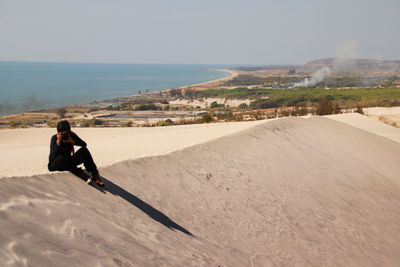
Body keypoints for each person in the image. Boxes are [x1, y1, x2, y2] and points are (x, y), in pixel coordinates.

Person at [48, 120, 104, 187]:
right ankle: (81, 174)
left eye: (67, 131)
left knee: (84, 150)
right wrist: (58, 143)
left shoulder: (71, 135)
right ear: (59, 132)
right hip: (56, 164)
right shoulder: (54, 138)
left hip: (69, 162)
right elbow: (52, 157)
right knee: (62, 157)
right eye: (62, 132)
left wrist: (73, 141)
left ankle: (95, 175)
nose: (65, 133)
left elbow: (84, 144)